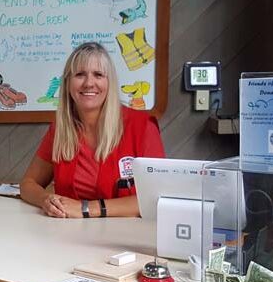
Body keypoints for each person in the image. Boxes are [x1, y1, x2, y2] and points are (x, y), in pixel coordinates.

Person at [20, 42, 165, 218]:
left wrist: (85, 209)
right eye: (80, 75)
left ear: (109, 83)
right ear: (67, 84)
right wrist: (47, 200)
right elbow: (28, 184)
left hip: (125, 238)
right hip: (67, 233)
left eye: (98, 75)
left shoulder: (142, 127)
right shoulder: (61, 129)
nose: (89, 83)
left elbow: (156, 198)